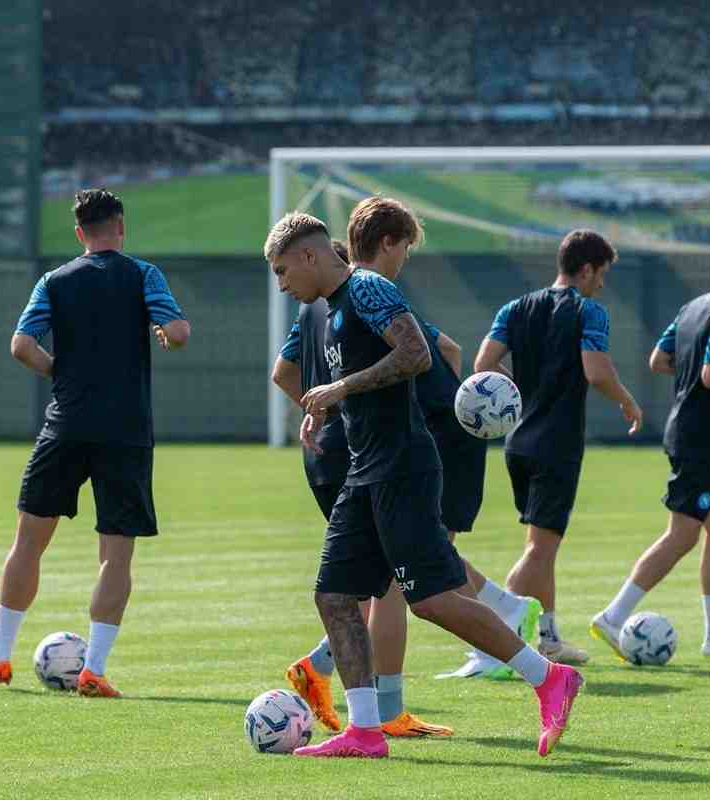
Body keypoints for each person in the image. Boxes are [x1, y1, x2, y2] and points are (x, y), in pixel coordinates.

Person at [263, 212, 583, 759]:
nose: (280, 281)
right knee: (335, 596)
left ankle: (548, 677)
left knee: (430, 599)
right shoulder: (326, 309)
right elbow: (327, 381)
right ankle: (364, 731)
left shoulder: (367, 289)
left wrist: (340, 388)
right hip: (365, 471)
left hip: (403, 469)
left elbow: (416, 355)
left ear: (310, 256)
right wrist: (326, 409)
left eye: (281, 268)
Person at [0, 189, 190, 697]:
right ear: (120, 226)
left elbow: (21, 345)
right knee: (115, 556)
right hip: (127, 431)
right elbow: (178, 331)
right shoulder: (143, 275)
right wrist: (166, 334)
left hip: (66, 423)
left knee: (28, 543)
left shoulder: (54, 280)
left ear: (79, 234)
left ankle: (1, 658)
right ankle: (93, 668)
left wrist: (60, 373)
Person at [272, 238, 452, 737]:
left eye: (284, 272)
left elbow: (283, 372)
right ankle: (383, 710)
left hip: (335, 452)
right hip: (364, 454)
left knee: (358, 583)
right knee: (392, 582)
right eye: (404, 250)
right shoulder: (364, 295)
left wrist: (319, 409)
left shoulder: (313, 311)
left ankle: (337, 686)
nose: (284, 284)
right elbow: (435, 352)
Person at [589, 236, 710, 660]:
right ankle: (613, 617)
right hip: (701, 438)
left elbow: (659, 360)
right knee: (683, 535)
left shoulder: (693, 308)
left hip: (694, 433)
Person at [474, 230, 643, 665]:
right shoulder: (590, 311)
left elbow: (483, 364)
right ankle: (490, 639)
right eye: (601, 274)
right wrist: (626, 399)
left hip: (518, 443)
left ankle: (547, 639)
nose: (602, 284)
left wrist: (520, 392)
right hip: (558, 443)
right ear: (586, 269)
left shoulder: (514, 308)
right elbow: (596, 371)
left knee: (541, 544)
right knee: (540, 549)